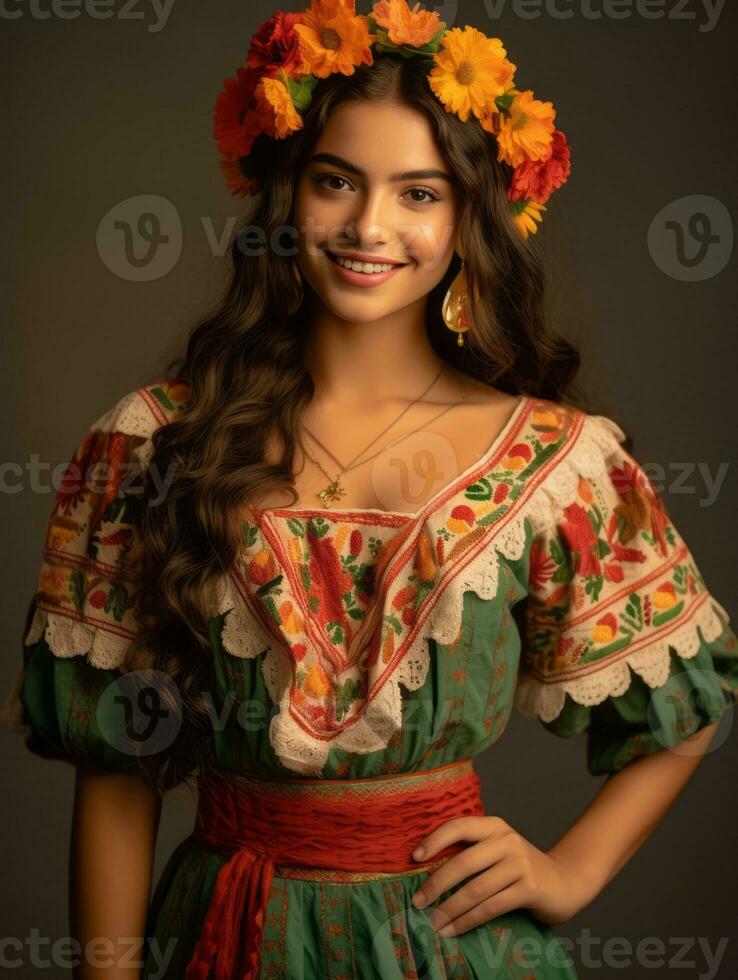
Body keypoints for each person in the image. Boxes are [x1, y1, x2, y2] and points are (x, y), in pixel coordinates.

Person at [3, 2, 737, 977]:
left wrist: (570, 870)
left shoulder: (557, 462)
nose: (369, 226)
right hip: (228, 933)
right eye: (336, 181)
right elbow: (116, 770)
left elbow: (684, 713)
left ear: (472, 220)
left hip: (454, 951)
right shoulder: (153, 445)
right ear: (285, 195)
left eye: (419, 194)